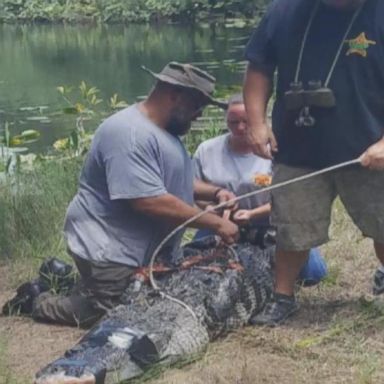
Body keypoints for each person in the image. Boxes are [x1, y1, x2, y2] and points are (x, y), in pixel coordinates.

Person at [3, 62, 239, 327]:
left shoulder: (165, 131)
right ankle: (36, 300)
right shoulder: (129, 133)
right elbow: (148, 200)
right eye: (198, 106)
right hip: (110, 249)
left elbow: (171, 180)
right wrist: (216, 223)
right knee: (115, 315)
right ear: (175, 95)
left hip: (137, 252)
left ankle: (61, 277)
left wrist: (216, 192)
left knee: (154, 298)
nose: (198, 115)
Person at [243, 0, 384, 326]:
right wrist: (257, 122)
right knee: (291, 229)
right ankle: (283, 297)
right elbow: (259, 67)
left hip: (368, 149)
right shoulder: (285, 10)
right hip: (297, 148)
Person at [193, 93, 327, 287]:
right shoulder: (206, 150)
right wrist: (213, 210)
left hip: (271, 221)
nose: (240, 128)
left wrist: (252, 214)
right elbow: (197, 192)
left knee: (313, 274)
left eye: (246, 122)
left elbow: (289, 198)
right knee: (195, 266)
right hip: (221, 222)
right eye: (233, 122)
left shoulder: (277, 149)